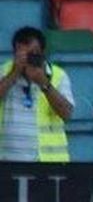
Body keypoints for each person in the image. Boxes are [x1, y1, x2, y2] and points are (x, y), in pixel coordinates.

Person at [0, 27, 75, 162]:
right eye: (22, 54)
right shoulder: (4, 72)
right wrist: (14, 73)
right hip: (8, 160)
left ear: (42, 53)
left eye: (32, 54)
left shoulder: (58, 75)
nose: (27, 59)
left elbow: (66, 113)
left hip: (49, 162)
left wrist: (43, 83)